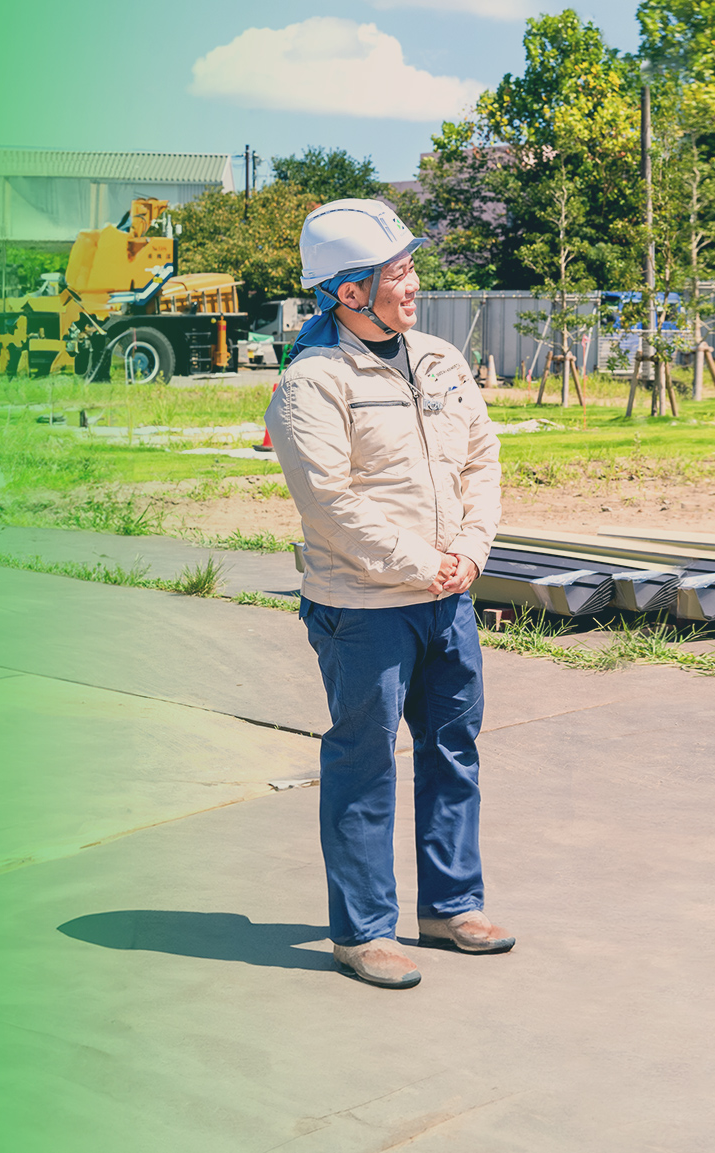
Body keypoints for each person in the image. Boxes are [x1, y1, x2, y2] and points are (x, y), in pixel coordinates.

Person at [266, 199, 511, 989]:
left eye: (408, 268)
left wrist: (469, 550)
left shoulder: (440, 359)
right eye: (397, 272)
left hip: (448, 597)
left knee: (452, 750)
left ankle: (449, 906)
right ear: (348, 292)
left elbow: (481, 461)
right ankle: (363, 930)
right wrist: (422, 563)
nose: (413, 284)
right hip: (363, 607)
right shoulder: (314, 383)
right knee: (365, 762)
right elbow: (330, 502)